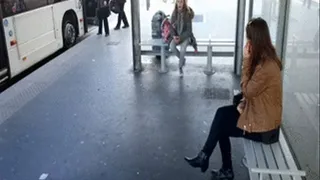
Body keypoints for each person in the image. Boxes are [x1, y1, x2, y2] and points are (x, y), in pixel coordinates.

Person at [184, 17, 283, 180]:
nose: (247, 42)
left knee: (221, 122)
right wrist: (243, 103)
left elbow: (248, 90)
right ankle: (213, 161)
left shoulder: (267, 65)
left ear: (254, 39)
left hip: (265, 129)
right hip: (260, 116)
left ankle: (210, 160)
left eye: (248, 38)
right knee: (221, 118)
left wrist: (246, 59)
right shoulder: (265, 57)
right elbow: (255, 93)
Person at [169, 0, 194, 76]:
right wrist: (174, 36)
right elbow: (171, 27)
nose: (179, 4)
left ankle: (180, 67)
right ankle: (182, 59)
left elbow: (189, 31)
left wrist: (181, 38)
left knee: (183, 49)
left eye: (181, 2)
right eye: (178, 2)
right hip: (177, 36)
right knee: (172, 46)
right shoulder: (174, 13)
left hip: (185, 36)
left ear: (184, 3)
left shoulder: (187, 13)